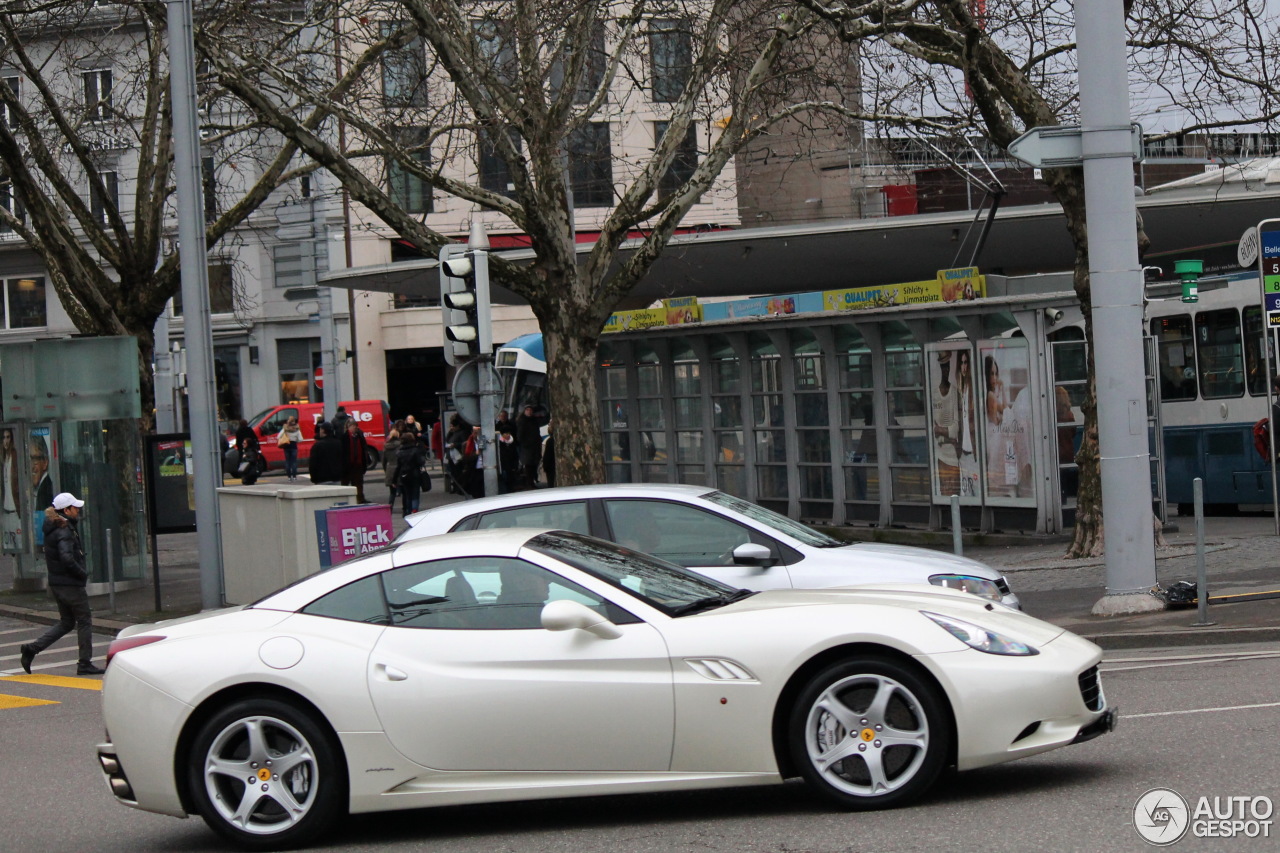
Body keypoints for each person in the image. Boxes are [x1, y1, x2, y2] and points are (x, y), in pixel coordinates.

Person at [20, 492, 103, 675]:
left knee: (66, 622)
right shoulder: (64, 529)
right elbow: (67, 558)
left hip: (57, 583)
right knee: (84, 620)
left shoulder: (53, 526)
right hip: (70, 584)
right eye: (75, 508)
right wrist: (82, 574)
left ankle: (32, 649)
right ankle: (84, 663)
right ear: (66, 510)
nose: (78, 511)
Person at [931, 351, 961, 496]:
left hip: (953, 454)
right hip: (940, 454)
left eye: (948, 366)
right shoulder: (934, 394)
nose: (946, 370)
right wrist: (948, 434)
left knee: (954, 490)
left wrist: (941, 431)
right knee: (945, 490)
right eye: (944, 367)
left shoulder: (955, 393)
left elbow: (956, 428)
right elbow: (932, 428)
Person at [396, 432, 428, 517]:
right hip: (415, 474)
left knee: (407, 494)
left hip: (404, 475)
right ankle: (414, 510)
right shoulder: (415, 450)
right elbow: (421, 461)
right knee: (415, 494)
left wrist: (394, 479)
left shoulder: (399, 451)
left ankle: (408, 511)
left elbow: (398, 466)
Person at [341, 420, 370, 503]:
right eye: (353, 426)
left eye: (355, 426)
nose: (355, 428)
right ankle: (344, 500)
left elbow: (364, 448)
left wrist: (365, 460)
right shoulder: (344, 437)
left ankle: (360, 499)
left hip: (358, 464)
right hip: (348, 465)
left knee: (358, 483)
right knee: (345, 483)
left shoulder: (359, 436)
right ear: (348, 427)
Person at [2, 429, 21, 552]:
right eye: (4, 437)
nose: (6, 440)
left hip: (15, 510)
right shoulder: (3, 458)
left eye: (8, 437)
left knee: (19, 543)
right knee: (8, 545)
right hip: (5, 510)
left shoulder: (14, 456)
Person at [516, 404, 543, 489]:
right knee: (528, 465)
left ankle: (532, 481)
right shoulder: (522, 421)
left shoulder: (534, 420)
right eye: (527, 410)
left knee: (534, 464)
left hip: (535, 446)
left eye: (530, 410)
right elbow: (520, 435)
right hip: (527, 447)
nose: (529, 412)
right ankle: (529, 483)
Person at [383, 428, 403, 512]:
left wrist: (386, 470)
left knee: (392, 492)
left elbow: (384, 461)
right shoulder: (400, 445)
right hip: (399, 469)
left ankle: (390, 507)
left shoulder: (386, 446)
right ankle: (405, 508)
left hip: (390, 468)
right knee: (404, 490)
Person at [278, 415, 303, 481]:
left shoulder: (285, 428)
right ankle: (294, 476)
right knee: (294, 462)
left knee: (288, 462)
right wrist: (295, 440)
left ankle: (289, 477)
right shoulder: (297, 429)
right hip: (294, 446)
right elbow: (301, 439)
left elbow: (278, 436)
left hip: (286, 446)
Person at [496, 428, 518, 493]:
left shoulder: (512, 443)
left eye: (509, 433)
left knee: (511, 482)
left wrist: (515, 466)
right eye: (506, 433)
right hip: (503, 467)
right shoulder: (499, 444)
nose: (508, 435)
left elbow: (515, 455)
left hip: (511, 467)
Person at [542, 420, 556, 488]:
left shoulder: (550, 441)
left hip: (551, 467)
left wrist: (545, 466)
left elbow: (547, 456)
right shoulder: (551, 441)